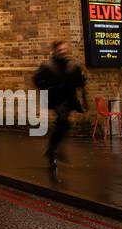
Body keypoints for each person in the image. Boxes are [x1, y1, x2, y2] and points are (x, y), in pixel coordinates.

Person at [33, 39, 87, 168]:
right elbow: (37, 79)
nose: (63, 52)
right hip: (56, 99)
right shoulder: (48, 65)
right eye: (61, 50)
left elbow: (79, 80)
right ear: (55, 51)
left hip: (69, 99)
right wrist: (47, 88)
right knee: (63, 120)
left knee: (65, 124)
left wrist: (81, 80)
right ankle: (54, 149)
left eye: (65, 49)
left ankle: (53, 149)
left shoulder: (72, 65)